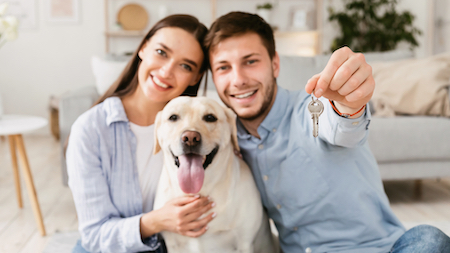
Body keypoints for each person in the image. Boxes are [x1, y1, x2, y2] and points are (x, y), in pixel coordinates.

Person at [205, 11, 450, 253]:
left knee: (429, 239)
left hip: (379, 249)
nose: (238, 79)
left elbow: (341, 123)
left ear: (275, 64)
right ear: (213, 78)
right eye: (224, 67)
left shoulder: (311, 108)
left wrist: (348, 105)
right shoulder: (225, 137)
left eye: (250, 61)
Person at [66, 15, 216, 253]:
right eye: (161, 52)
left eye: (185, 66)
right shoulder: (90, 129)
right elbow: (94, 236)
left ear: (196, 77)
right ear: (143, 48)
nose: (166, 71)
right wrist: (156, 221)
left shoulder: (201, 135)